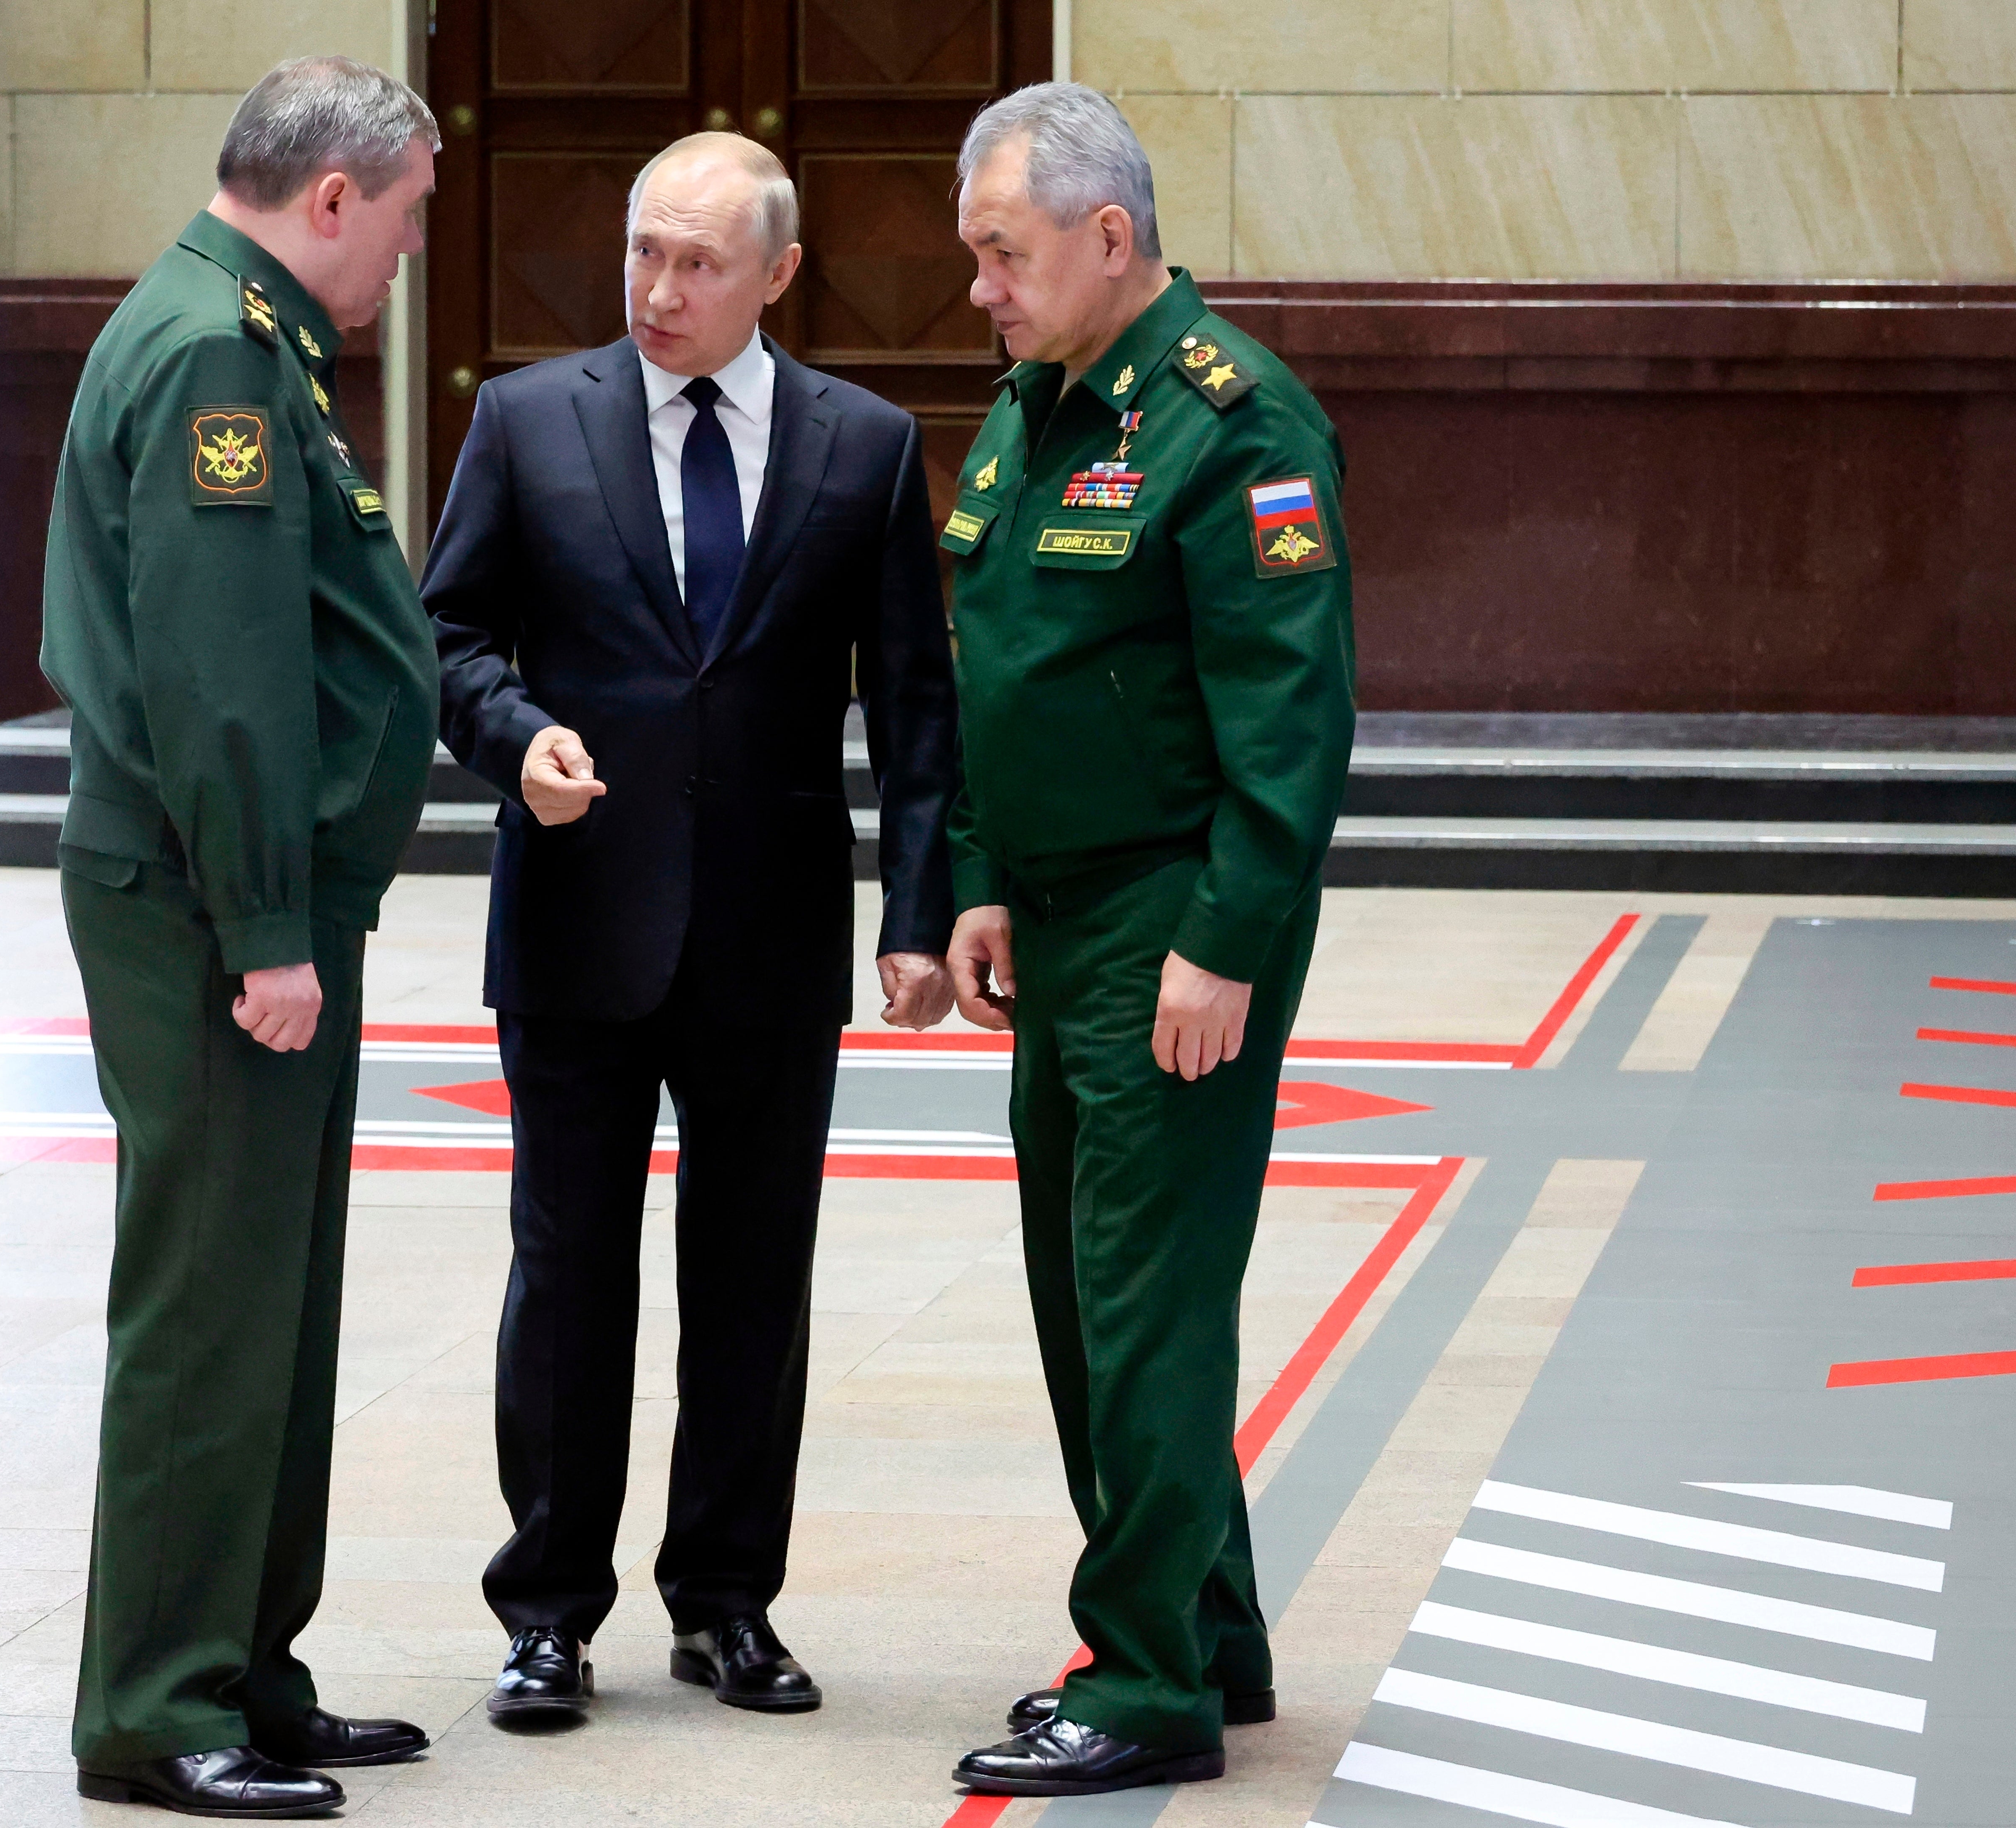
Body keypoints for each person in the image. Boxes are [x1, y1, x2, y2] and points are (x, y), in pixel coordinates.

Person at [422, 132, 958, 1727]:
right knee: (568, 1274)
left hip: (771, 937)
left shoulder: (864, 447)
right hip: (581, 924)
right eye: (645, 253)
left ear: (779, 275)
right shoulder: (527, 420)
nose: (658, 289)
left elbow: (918, 703)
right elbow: (447, 633)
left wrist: (919, 913)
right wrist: (516, 736)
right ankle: (546, 1613)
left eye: (699, 263)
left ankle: (725, 1601)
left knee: (750, 1282)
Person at [935, 84, 1356, 1798]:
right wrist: (972, 874)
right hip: (1052, 914)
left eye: (1003, 254)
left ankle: (1148, 1673)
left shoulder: (1235, 426)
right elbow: (1000, 672)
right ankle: (1213, 1628)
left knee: (1143, 1297)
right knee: (1089, 1295)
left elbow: (1290, 717)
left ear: (1112, 239)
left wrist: (1226, 939)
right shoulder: (1032, 411)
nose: (980, 290)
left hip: (1169, 920)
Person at [38, 57, 443, 1820]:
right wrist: (272, 923)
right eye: (412, 217)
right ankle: (155, 1705)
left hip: (247, 901)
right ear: (335, 200)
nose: (411, 257)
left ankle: (246, 1669)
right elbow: (217, 677)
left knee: (271, 1298)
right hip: (214, 912)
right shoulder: (218, 350)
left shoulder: (249, 333)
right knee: (211, 1305)